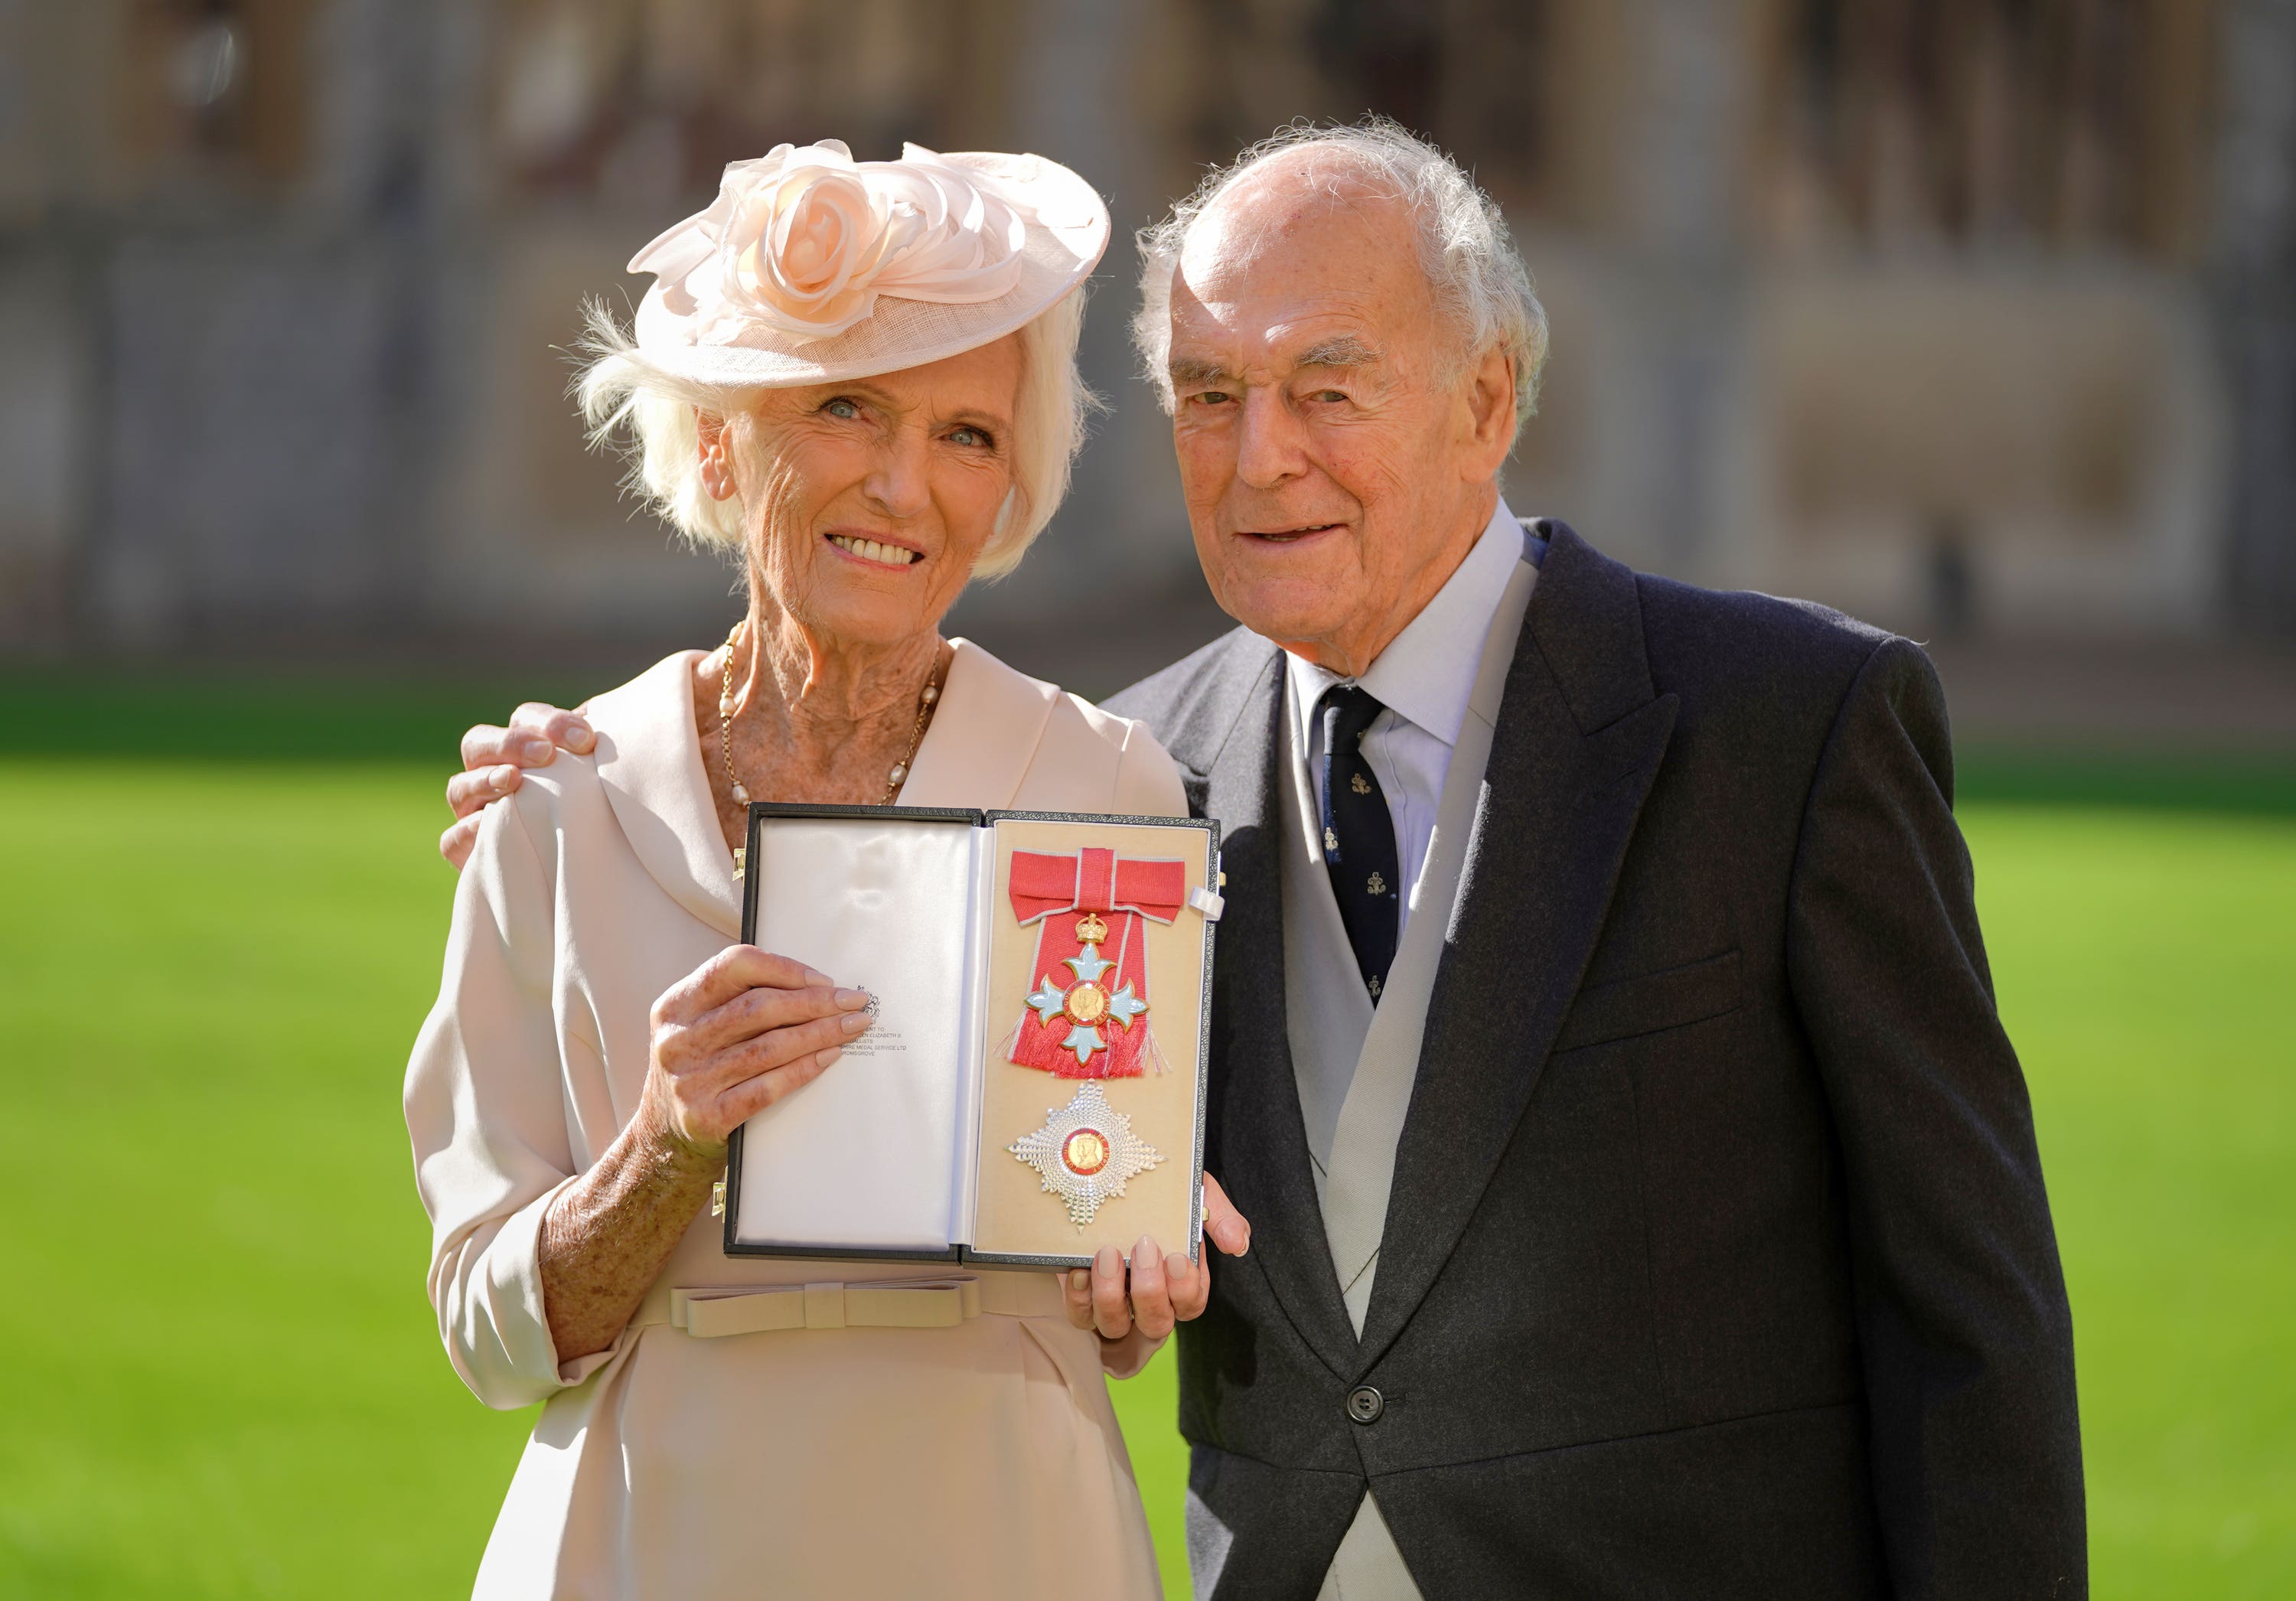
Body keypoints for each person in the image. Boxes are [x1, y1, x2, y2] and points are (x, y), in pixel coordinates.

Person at [454, 121, 2086, 1599]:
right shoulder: (1132, 769)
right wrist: (584, 783)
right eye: (1213, 397)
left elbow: (1970, 1305)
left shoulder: (1785, 726)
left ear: (1490, 401)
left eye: (1329, 387)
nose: (1260, 459)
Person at [407, 139, 1245, 1601]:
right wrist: (663, 1144)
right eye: (846, 408)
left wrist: (1140, 1270)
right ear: (723, 444)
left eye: (970, 435)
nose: (904, 485)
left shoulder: (1106, 788)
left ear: (1011, 488)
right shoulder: (553, 807)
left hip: (1008, 1533)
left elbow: (1117, 1257)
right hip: (648, 1539)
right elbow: (487, 1334)